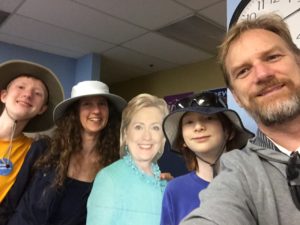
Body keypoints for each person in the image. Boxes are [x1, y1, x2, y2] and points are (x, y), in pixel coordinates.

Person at [181, 14, 300, 225]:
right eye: (243, 71)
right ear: (236, 97)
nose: (262, 74)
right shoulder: (239, 172)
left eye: (272, 57)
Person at [7, 80, 127, 225]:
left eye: (102, 104)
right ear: (75, 112)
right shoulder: (44, 150)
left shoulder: (113, 165)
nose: (96, 110)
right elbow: (11, 202)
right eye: (87, 104)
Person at [160, 91, 253, 225]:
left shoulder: (252, 181)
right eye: (189, 122)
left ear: (228, 132)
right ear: (183, 141)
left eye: (208, 118)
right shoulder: (175, 190)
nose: (198, 127)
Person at [87, 93, 169, 225]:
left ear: (163, 137)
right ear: (125, 133)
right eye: (138, 127)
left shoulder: (167, 184)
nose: (147, 136)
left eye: (155, 128)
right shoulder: (108, 178)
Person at [0, 60, 64, 224]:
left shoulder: (37, 153)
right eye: (20, 87)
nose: (27, 95)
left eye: (37, 94)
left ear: (42, 109)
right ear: (4, 95)